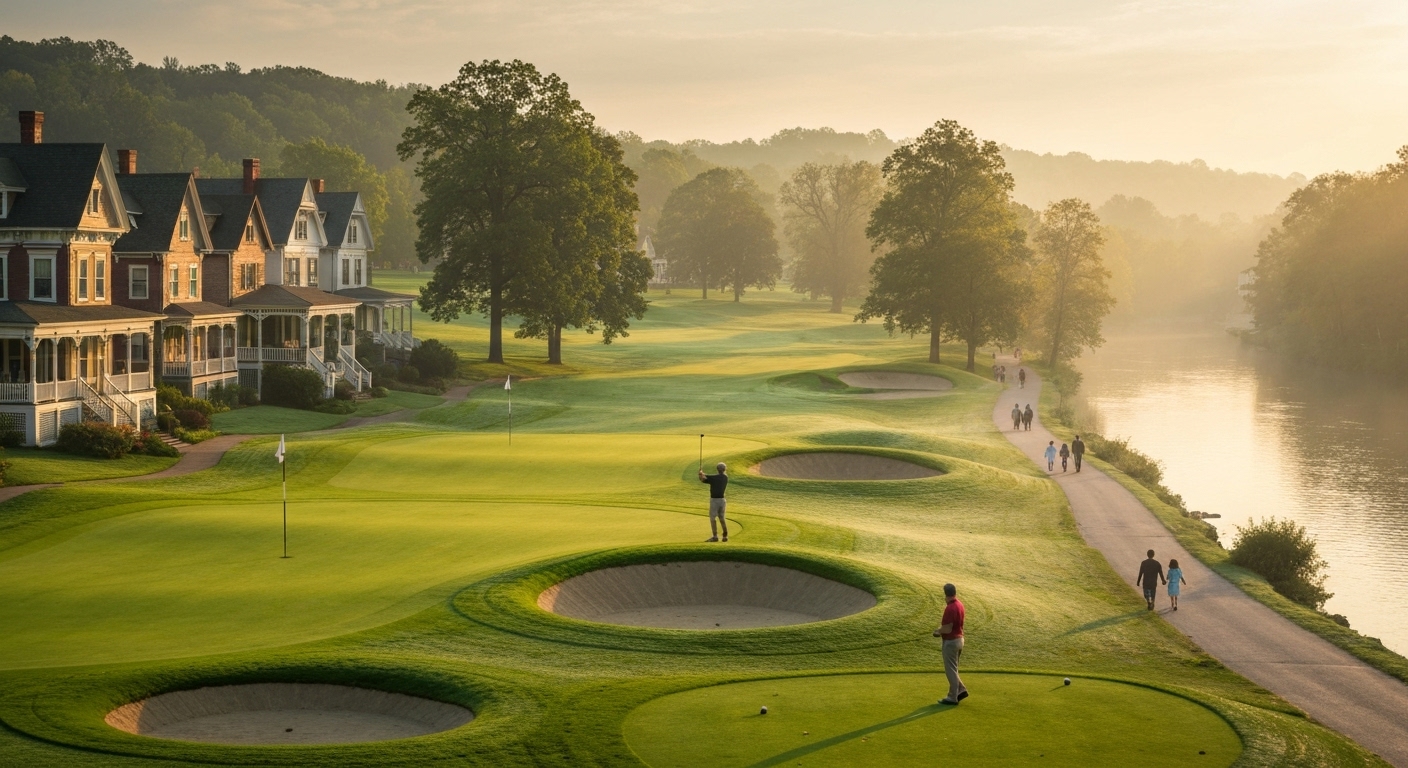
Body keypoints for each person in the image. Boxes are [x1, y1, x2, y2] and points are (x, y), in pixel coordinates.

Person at [933, 583, 968, 705]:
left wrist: (937, 631)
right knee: (954, 668)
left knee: (950, 670)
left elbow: (948, 628)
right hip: (960, 640)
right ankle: (961, 689)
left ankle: (953, 697)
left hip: (951, 642)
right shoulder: (960, 605)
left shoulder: (950, 608)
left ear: (945, 594)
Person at [698, 462, 729, 542]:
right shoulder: (725, 477)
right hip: (722, 500)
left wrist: (701, 473)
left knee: (712, 518)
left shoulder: (717, 478)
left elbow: (707, 477)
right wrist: (701, 476)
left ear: (718, 469)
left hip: (715, 500)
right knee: (722, 518)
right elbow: (704, 480)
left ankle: (715, 537)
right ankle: (725, 536)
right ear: (724, 469)